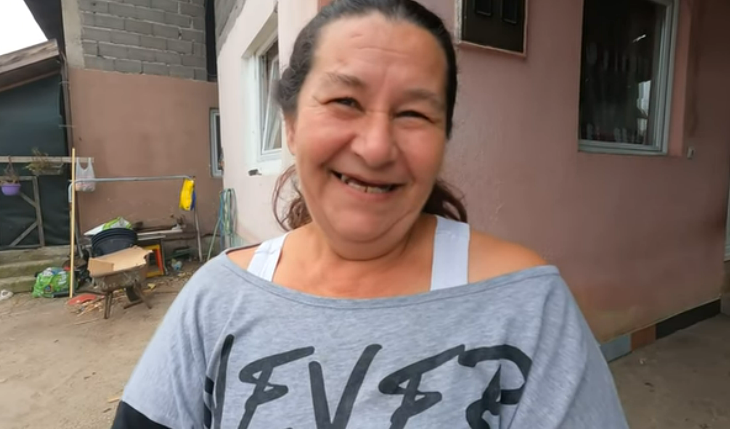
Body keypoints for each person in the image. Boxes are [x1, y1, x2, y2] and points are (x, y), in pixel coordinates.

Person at [112, 0, 629, 428]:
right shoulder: (217, 300)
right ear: (290, 125)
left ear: (443, 139)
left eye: (414, 113)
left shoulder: (526, 308)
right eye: (345, 101)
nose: (377, 147)